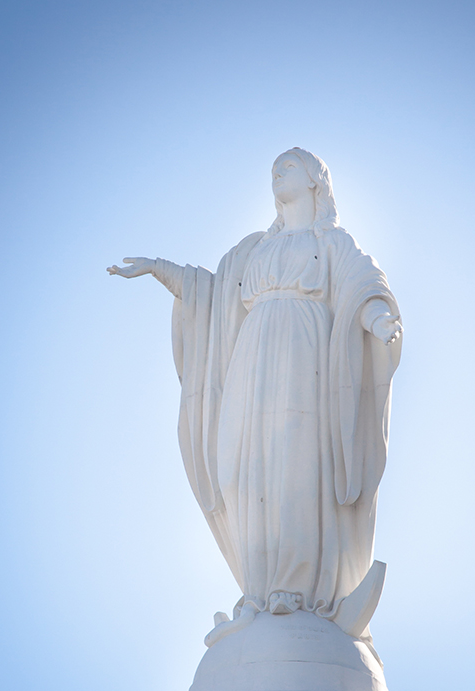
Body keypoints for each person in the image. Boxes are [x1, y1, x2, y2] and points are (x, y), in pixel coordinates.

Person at [108, 148, 402, 644]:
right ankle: (260, 591)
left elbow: (362, 284)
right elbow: (215, 294)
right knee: (243, 468)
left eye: (288, 166)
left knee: (294, 466)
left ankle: (297, 591)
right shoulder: (254, 250)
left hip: (304, 357)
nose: (276, 173)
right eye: (274, 169)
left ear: (315, 181)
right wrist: (162, 269)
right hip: (251, 359)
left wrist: (378, 319)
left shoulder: (330, 242)